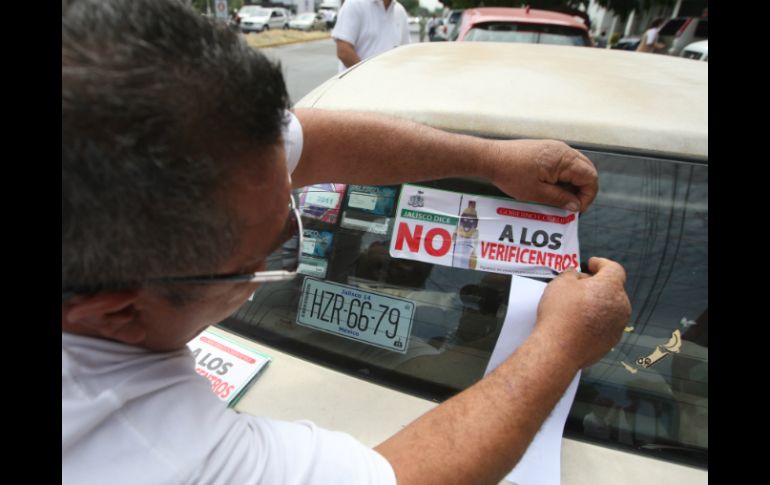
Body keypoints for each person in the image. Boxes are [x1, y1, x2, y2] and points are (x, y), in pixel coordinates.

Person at [62, 0, 631, 483]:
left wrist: (489, 158)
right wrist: (561, 343)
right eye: (272, 256)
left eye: (289, 191)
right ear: (118, 313)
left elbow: (315, 143)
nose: (295, 234)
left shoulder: (171, 131)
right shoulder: (131, 447)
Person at [332, 0, 411, 72]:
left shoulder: (400, 11)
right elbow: (344, 51)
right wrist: (370, 78)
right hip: (355, 84)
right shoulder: (355, 3)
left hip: (387, 84)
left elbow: (405, 53)